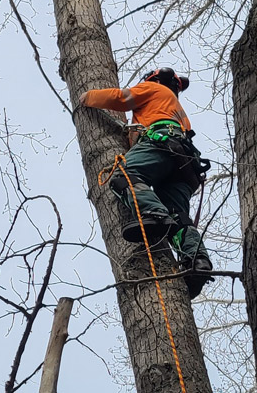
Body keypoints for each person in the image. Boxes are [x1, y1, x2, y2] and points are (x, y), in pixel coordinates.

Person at [80, 67, 214, 299]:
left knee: (124, 176)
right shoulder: (175, 110)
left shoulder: (153, 89)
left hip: (162, 143)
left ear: (154, 80)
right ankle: (197, 260)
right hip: (185, 163)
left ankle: (153, 212)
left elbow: (121, 98)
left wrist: (88, 97)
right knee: (179, 215)